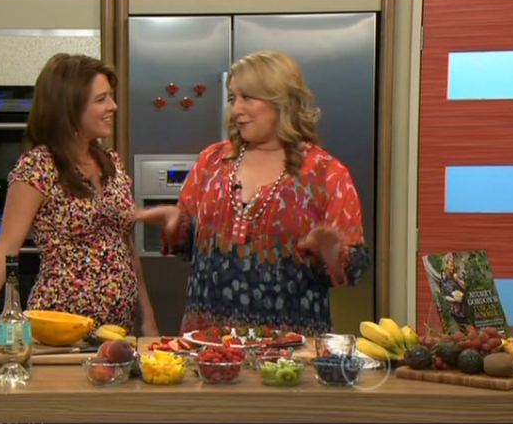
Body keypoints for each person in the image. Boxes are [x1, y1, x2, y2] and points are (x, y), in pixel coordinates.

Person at [0, 53, 159, 348]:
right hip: (58, 332)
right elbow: (6, 248)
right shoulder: (38, 167)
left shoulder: (111, 162)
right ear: (70, 108)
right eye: (101, 99)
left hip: (117, 329)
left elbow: (125, 244)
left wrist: (148, 318)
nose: (113, 106)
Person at [135, 50, 371, 337]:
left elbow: (351, 271)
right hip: (212, 347)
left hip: (291, 350)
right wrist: (178, 225)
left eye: (248, 98)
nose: (236, 110)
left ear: (282, 101)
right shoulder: (212, 163)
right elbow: (189, 245)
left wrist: (332, 251)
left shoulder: (325, 173)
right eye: (233, 98)